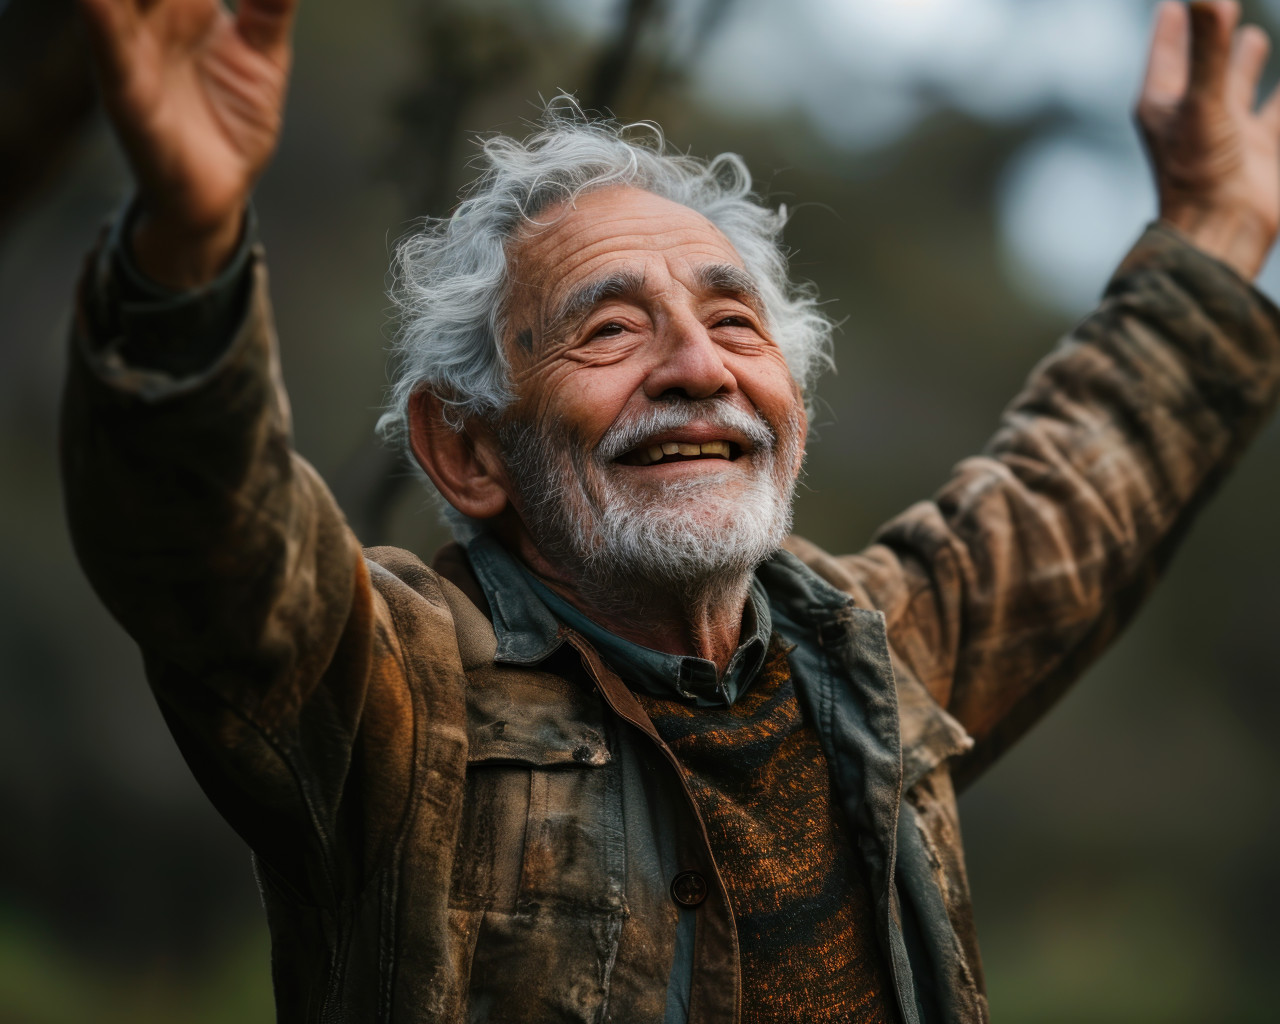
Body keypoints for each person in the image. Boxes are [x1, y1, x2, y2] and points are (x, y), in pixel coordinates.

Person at [63, 0, 1280, 1021]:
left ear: (790, 401)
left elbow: (1077, 489)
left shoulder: (864, 652)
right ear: (468, 447)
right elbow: (216, 553)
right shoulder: (398, 689)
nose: (698, 365)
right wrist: (186, 249)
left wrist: (1218, 228)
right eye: (609, 328)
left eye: (735, 320)